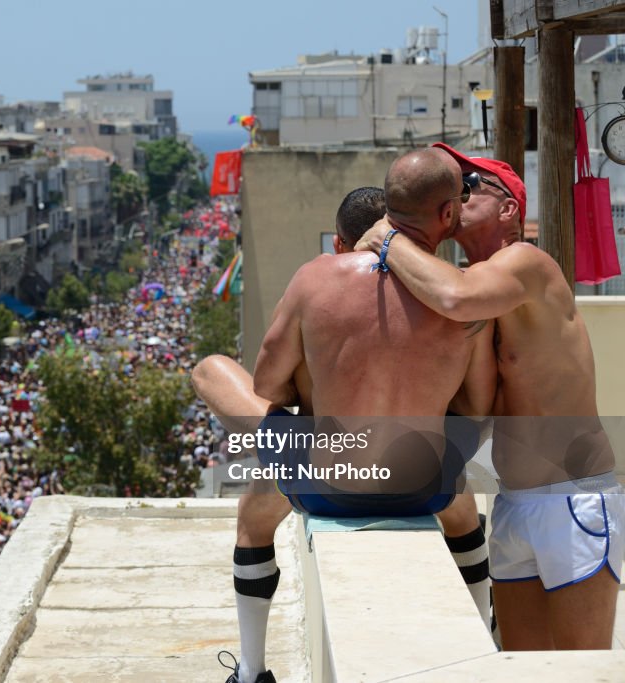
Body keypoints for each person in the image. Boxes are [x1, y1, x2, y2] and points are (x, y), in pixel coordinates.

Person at [205, 152, 496, 683]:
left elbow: (268, 386)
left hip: (327, 483)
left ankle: (250, 672)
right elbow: (476, 411)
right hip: (421, 486)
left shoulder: (317, 278)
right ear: (448, 216)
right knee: (458, 498)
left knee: (213, 379)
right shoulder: (465, 298)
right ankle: (484, 634)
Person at [355, 143, 624, 651]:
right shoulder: (469, 294)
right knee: (521, 669)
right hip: (513, 505)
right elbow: (472, 412)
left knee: (581, 672)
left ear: (508, 209)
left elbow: (456, 297)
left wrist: (388, 236)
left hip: (574, 500)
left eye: (473, 184)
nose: (460, 191)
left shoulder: (526, 263)